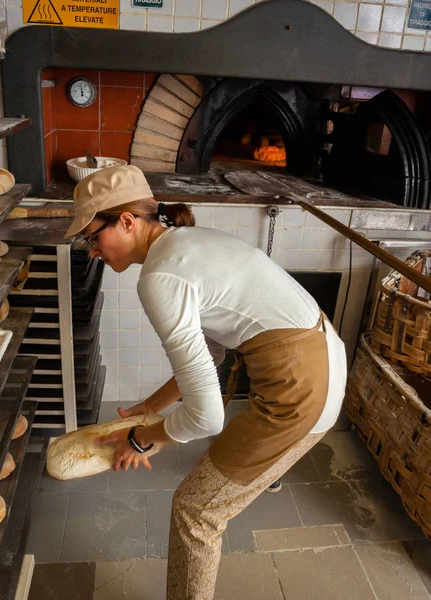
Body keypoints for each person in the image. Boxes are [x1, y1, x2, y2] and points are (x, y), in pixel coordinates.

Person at [65, 165, 348, 600]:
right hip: (324, 361)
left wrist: (142, 438)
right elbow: (211, 353)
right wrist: (150, 409)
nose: (91, 251)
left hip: (299, 392)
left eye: (92, 237)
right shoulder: (186, 242)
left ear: (126, 220)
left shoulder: (159, 278)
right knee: (201, 507)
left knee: (197, 512)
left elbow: (207, 416)